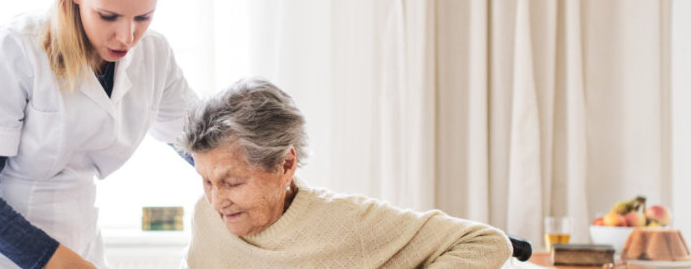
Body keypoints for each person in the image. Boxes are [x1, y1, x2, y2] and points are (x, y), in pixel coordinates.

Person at [0, 0, 197, 268]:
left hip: (78, 238)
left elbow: (202, 142)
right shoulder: (15, 49)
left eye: (143, 17)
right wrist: (63, 264)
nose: (126, 36)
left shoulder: (155, 55)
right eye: (108, 16)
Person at [181, 78, 513, 268]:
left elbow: (486, 242)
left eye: (233, 182)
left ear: (285, 166)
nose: (216, 200)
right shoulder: (206, 219)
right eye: (206, 181)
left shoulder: (348, 223)